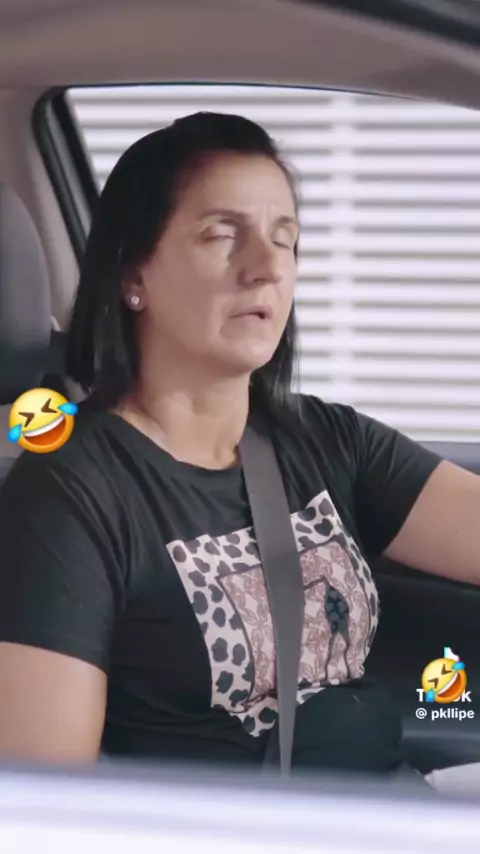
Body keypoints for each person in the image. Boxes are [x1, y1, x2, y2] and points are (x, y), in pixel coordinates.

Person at [0, 112, 478, 789]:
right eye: (222, 235)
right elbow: (48, 799)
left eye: (284, 239)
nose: (267, 268)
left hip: (391, 801)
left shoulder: (325, 438)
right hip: (251, 829)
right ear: (134, 274)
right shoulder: (70, 495)